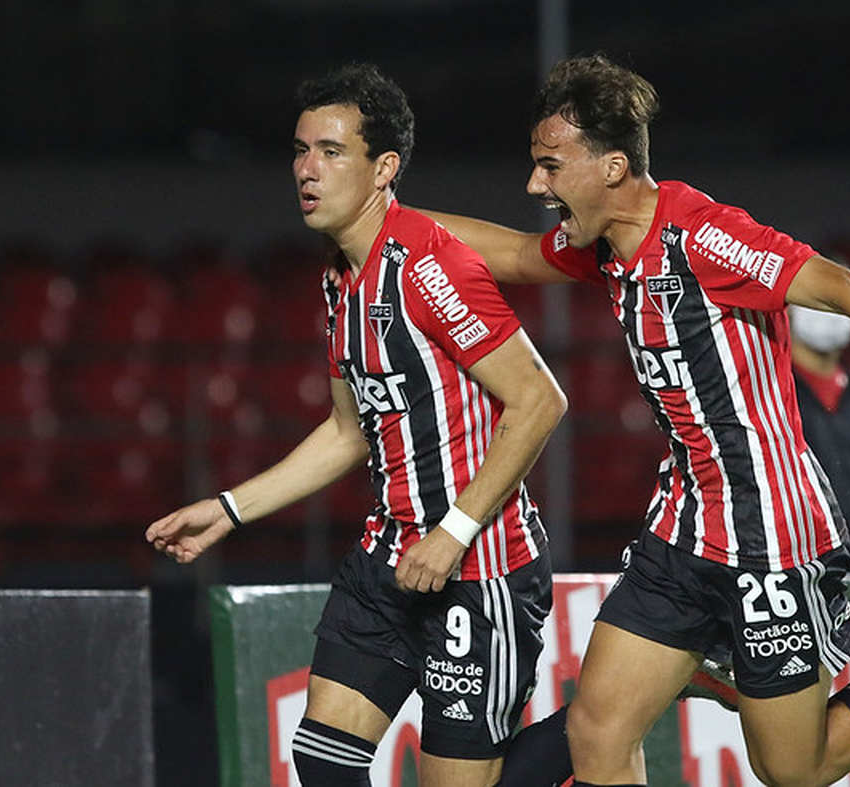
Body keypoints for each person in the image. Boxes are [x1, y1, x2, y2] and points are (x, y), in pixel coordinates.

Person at [422, 54, 850, 787]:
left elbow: (841, 285)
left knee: (793, 768)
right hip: (682, 525)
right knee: (596, 730)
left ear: (612, 166)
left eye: (551, 166)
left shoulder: (702, 236)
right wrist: (382, 218)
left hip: (770, 531)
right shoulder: (605, 249)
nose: (535, 185)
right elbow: (517, 253)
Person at [145, 64, 568, 787]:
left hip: (479, 568)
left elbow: (540, 401)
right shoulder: (340, 275)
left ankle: (616, 707)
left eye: (332, 152)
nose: (307, 169)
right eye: (301, 149)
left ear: (384, 169)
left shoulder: (427, 265)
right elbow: (347, 431)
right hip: (389, 560)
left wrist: (453, 531)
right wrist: (227, 509)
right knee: (323, 759)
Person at [788, 299, 850, 570]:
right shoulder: (769, 387)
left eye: (838, 301)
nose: (829, 312)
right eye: (819, 299)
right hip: (792, 556)